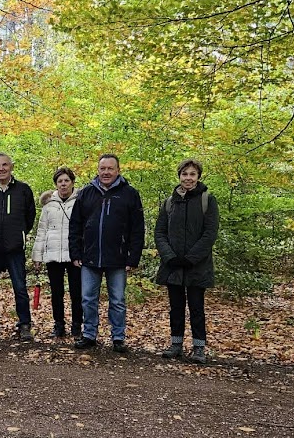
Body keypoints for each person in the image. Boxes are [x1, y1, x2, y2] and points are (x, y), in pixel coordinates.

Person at [69, 154, 145, 352]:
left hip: (118, 258)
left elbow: (138, 229)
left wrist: (133, 257)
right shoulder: (86, 193)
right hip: (89, 256)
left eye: (110, 168)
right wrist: (75, 253)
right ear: (98, 170)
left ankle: (118, 337)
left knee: (117, 300)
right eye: (103, 168)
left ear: (118, 170)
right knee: (88, 299)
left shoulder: (129, 194)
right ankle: (89, 335)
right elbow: (75, 225)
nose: (106, 172)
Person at [154, 158, 220, 363]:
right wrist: (170, 257)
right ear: (179, 176)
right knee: (176, 307)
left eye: (192, 174)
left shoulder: (207, 200)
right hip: (173, 265)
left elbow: (210, 233)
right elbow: (160, 232)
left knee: (196, 307)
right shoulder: (169, 202)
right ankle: (176, 345)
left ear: (198, 176)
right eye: (184, 174)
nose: (188, 178)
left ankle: (199, 348)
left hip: (197, 266)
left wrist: (191, 258)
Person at [0, 153, 37, 341]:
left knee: (20, 287)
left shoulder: (23, 190)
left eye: (5, 165)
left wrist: (18, 234)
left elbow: (30, 217)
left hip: (15, 249)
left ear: (11, 166)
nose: (1, 168)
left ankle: (24, 325)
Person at [32, 166, 81, 340]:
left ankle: (77, 325)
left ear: (72, 182)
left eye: (66, 180)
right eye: (60, 181)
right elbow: (41, 231)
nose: (63, 184)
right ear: (56, 184)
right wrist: (37, 256)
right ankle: (59, 325)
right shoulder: (49, 205)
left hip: (74, 255)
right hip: (52, 255)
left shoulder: (80, 202)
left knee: (77, 293)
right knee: (56, 293)